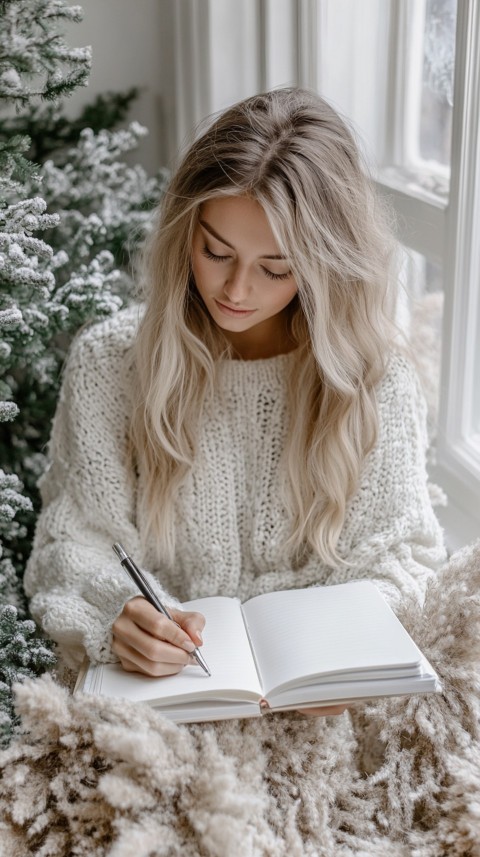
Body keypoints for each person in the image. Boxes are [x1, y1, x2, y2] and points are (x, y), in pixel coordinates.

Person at [24, 87, 445, 718]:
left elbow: (403, 556)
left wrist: (344, 651)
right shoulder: (110, 363)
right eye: (216, 252)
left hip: (322, 711)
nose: (236, 290)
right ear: (184, 230)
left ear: (325, 266)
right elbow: (72, 542)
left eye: (276, 269)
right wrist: (121, 612)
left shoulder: (373, 379)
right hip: (163, 703)